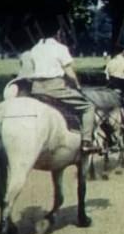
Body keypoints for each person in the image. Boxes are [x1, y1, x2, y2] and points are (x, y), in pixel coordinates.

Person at [28, 18, 100, 154]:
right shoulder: (60, 48)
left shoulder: (34, 49)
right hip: (55, 88)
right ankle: (86, 142)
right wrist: (77, 86)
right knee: (88, 107)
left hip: (36, 89)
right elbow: (70, 73)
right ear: (58, 32)